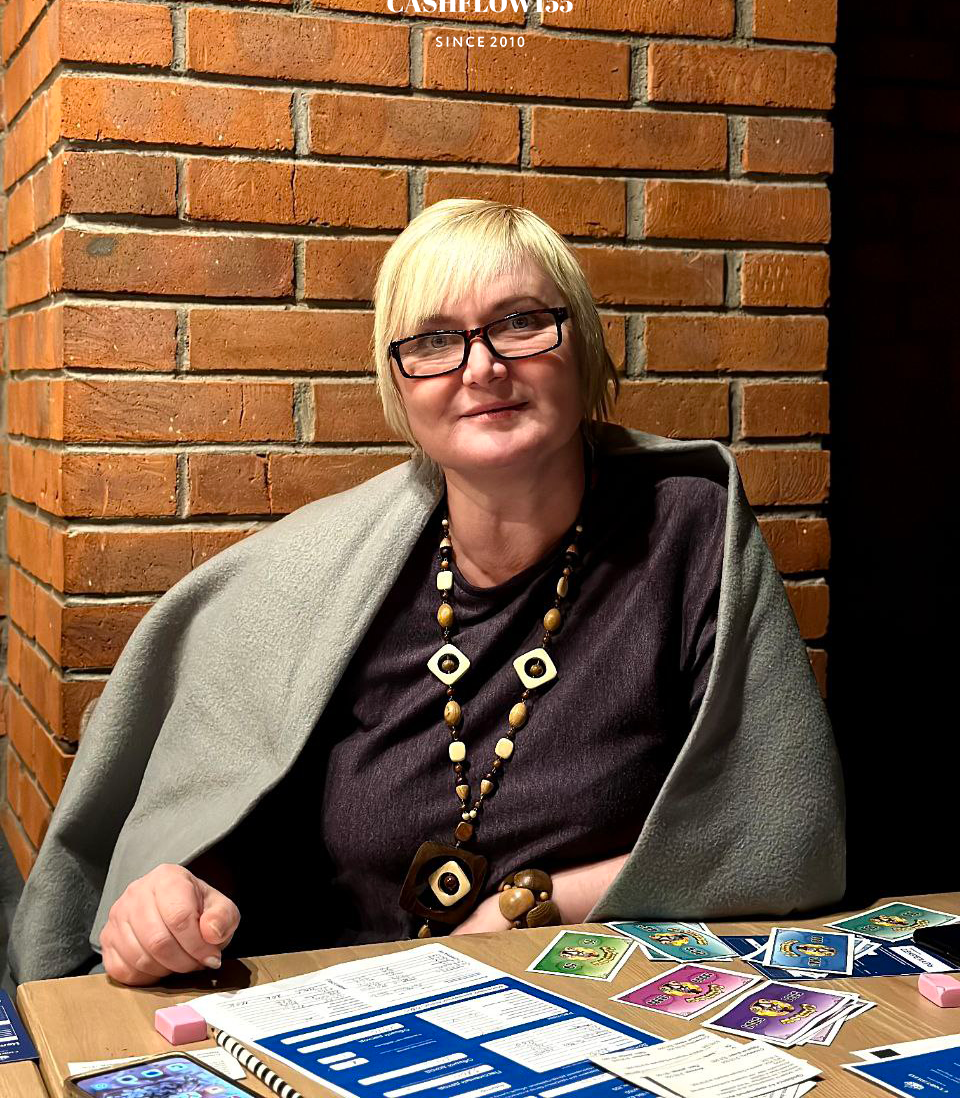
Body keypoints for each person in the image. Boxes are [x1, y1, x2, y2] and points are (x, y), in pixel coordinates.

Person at [7, 200, 845, 986]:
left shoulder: (687, 531)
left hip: (592, 993)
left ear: (585, 345)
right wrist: (183, 890)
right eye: (436, 340)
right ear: (400, 385)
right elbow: (242, 810)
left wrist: (535, 903)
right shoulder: (322, 573)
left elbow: (774, 835)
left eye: (522, 322)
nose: (482, 367)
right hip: (340, 995)